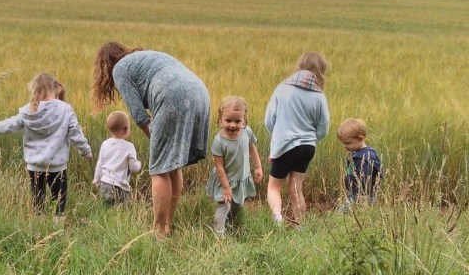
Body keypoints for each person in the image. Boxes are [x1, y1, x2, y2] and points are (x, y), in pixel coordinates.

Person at [92, 41, 210, 239]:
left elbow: (139, 115)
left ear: (105, 65)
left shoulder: (119, 69)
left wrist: (154, 138)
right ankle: (168, 225)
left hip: (173, 97)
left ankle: (158, 232)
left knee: (160, 170)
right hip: (200, 93)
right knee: (172, 166)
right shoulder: (148, 57)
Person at [0, 72, 92, 216]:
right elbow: (76, 134)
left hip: (35, 166)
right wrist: (85, 152)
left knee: (38, 198)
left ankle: (39, 225)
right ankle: (56, 228)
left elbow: (8, 125)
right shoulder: (65, 109)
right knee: (59, 198)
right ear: (54, 88)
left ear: (35, 90)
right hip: (57, 166)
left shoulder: (27, 111)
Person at [264, 52, 330, 226]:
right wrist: (309, 138)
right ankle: (300, 226)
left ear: (299, 65)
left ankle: (278, 219)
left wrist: (279, 135)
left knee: (274, 187)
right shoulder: (319, 95)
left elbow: (269, 120)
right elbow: (323, 128)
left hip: (285, 145)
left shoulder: (283, 88)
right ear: (321, 71)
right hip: (307, 147)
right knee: (296, 188)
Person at [206, 96, 263, 234]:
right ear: (220, 120)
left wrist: (258, 167)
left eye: (237, 121)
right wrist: (226, 188)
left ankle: (230, 224)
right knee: (224, 205)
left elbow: (252, 148)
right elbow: (219, 167)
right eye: (228, 120)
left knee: (238, 204)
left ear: (245, 121)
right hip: (224, 179)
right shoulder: (219, 141)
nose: (232, 125)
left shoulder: (246, 132)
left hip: (241, 177)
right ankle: (218, 233)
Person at [93, 110, 142, 206]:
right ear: (126, 129)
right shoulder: (129, 146)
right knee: (121, 209)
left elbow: (100, 163)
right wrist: (139, 164)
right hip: (120, 186)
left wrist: (96, 179)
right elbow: (134, 168)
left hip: (105, 183)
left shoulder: (105, 144)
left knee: (106, 209)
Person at [336, 118, 382, 213]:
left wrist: (359, 194)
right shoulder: (357, 153)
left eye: (348, 143)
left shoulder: (365, 157)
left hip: (362, 196)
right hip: (354, 194)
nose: (345, 146)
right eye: (343, 143)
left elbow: (364, 180)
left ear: (360, 138)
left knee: (341, 214)